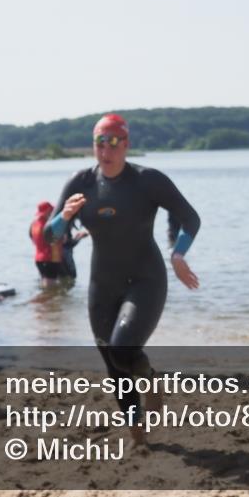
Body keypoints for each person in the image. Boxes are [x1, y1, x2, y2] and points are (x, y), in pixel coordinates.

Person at [44, 114, 201, 444]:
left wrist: (178, 254)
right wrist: (64, 217)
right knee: (113, 366)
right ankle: (139, 437)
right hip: (103, 283)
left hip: (146, 278)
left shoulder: (148, 180)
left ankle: (152, 381)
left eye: (114, 142)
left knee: (121, 349)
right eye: (100, 142)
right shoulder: (80, 183)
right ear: (94, 146)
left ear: (126, 145)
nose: (106, 149)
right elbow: (50, 236)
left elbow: (190, 219)